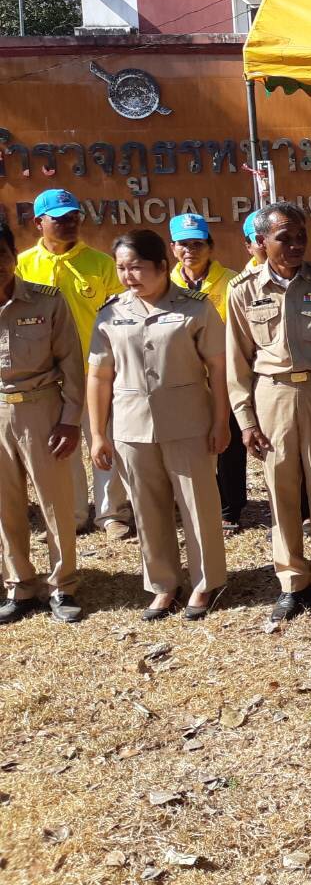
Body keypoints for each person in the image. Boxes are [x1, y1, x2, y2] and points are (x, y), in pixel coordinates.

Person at [87, 229, 229, 621]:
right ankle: (164, 584)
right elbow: (99, 376)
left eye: (136, 267)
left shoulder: (196, 308)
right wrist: (98, 433)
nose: (128, 275)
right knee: (147, 508)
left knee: (198, 504)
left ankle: (206, 581)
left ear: (162, 266)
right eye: (121, 268)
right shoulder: (110, 313)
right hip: (132, 427)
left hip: (189, 422)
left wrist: (221, 421)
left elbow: (218, 369)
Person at [227, 202, 311, 623]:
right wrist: (246, 420)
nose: (296, 244)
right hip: (273, 394)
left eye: (301, 235)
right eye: (285, 237)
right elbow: (236, 361)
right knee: (280, 489)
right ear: (261, 242)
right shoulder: (243, 290)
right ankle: (291, 580)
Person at [18, 188, 131, 538]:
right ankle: (72, 513)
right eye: (59, 219)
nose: (69, 224)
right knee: (59, 446)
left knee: (105, 439)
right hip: (46, 375)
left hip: (96, 369)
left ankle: (111, 514)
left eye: (74, 217)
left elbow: (121, 315)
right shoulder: (22, 265)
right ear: (39, 222)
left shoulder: (101, 263)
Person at [0, 222, 84, 625]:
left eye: (1, 255)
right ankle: (19, 585)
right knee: (5, 507)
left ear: (13, 257)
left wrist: (70, 421)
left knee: (56, 504)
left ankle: (62, 585)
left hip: (42, 410)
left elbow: (72, 364)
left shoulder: (47, 301)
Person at [170, 213, 248, 532]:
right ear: (173, 248)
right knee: (189, 444)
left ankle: (230, 507)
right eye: (183, 244)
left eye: (197, 243)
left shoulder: (233, 281)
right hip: (183, 378)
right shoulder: (164, 285)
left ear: (210, 246)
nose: (190, 250)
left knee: (228, 442)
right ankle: (195, 502)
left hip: (225, 375)